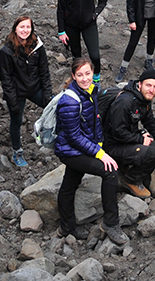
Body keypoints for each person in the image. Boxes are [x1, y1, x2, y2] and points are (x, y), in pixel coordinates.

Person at [55, 57, 129, 246]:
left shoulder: (91, 90)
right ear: (73, 76)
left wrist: (100, 144)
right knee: (110, 172)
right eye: (80, 75)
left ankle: (66, 227)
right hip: (70, 150)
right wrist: (99, 153)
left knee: (70, 183)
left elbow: (92, 122)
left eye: (87, 73)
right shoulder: (69, 102)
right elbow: (73, 137)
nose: (85, 78)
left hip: (81, 146)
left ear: (93, 73)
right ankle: (111, 223)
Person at [102, 64, 155, 198]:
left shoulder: (143, 100)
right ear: (140, 84)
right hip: (111, 145)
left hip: (126, 139)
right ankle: (130, 180)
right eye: (148, 85)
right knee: (151, 152)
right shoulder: (125, 101)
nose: (152, 90)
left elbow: (150, 122)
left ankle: (128, 167)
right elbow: (117, 131)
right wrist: (140, 139)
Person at [0, 15, 51, 168]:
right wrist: (12, 101)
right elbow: (5, 79)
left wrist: (47, 94)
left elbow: (44, 72)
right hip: (17, 91)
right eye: (22, 27)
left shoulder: (37, 47)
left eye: (28, 27)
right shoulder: (6, 51)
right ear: (15, 28)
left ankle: (56, 139)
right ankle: (17, 152)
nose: (25, 30)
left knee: (55, 107)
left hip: (34, 88)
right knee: (16, 121)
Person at [56, 0, 107, 84]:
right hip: (71, 25)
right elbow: (60, 9)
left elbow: (103, 0)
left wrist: (95, 14)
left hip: (88, 24)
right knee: (76, 56)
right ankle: (79, 80)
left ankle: (96, 80)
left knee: (94, 55)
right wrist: (61, 31)